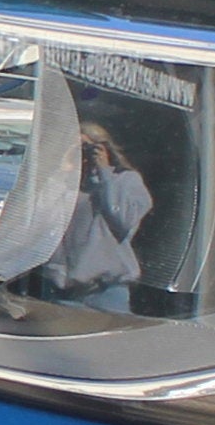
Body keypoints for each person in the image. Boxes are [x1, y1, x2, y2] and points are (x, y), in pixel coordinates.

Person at [41, 119, 155, 311]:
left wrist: (104, 173)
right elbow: (39, 219)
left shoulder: (124, 180)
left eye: (86, 147)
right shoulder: (65, 185)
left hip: (107, 292)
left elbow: (124, 219)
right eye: (76, 148)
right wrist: (63, 171)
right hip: (65, 291)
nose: (82, 154)